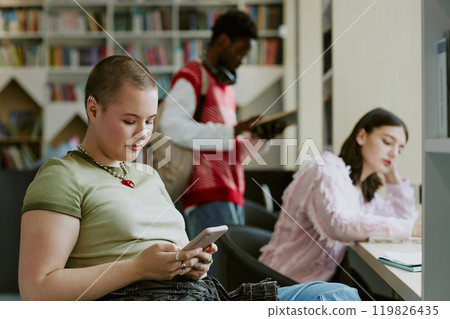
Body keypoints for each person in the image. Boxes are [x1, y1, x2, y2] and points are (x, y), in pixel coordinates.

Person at [18, 55, 360, 301]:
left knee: (336, 295)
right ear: (93, 109)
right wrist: (138, 267)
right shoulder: (63, 176)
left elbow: (171, 257)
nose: (143, 133)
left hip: (204, 296)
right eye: (129, 120)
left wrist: (191, 263)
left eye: (150, 120)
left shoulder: (149, 176)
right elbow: (37, 289)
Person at [259, 108, 421, 285]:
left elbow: (403, 221)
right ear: (361, 137)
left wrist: (393, 178)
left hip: (318, 285)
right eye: (388, 142)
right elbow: (340, 225)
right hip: (285, 283)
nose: (394, 153)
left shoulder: (361, 190)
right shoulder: (327, 168)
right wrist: (413, 228)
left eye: (400, 149)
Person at [159, 9, 279, 240]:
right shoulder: (192, 76)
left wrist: (262, 138)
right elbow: (171, 126)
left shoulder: (226, 89)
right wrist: (233, 130)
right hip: (205, 194)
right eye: (240, 51)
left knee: (227, 272)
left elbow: (232, 151)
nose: (242, 60)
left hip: (231, 193)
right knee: (214, 273)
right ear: (224, 41)